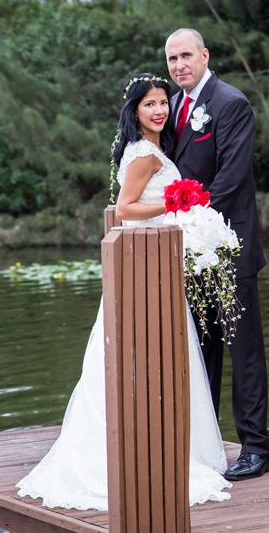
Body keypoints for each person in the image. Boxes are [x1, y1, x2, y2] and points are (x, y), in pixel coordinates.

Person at [16, 74, 232, 509]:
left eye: (162, 103)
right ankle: (141, 451)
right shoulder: (144, 156)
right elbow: (127, 209)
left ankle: (159, 444)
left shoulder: (151, 151)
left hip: (155, 265)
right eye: (149, 104)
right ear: (135, 111)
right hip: (144, 269)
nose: (158, 110)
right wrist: (177, 205)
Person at [162, 28, 269, 481]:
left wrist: (185, 222)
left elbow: (230, 178)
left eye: (186, 55)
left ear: (205, 55)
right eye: (172, 59)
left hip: (228, 246)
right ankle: (206, 447)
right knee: (200, 349)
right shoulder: (170, 107)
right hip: (189, 253)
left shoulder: (231, 104)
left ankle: (256, 448)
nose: (178, 65)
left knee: (243, 350)